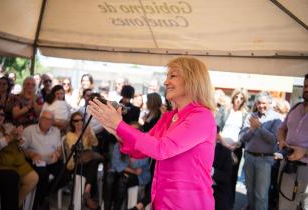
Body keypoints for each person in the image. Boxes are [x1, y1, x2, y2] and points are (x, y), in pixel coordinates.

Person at [88, 56, 217, 210]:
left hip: (188, 203)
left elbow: (161, 149)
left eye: (173, 76)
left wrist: (119, 125)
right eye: (167, 76)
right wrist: (117, 132)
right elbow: (142, 149)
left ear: (192, 80)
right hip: (162, 201)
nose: (166, 82)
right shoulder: (169, 116)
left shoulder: (202, 116)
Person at [239, 92, 283, 210]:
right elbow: (242, 138)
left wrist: (259, 127)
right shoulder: (251, 116)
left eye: (263, 103)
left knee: (261, 195)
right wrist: (251, 130)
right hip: (249, 157)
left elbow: (274, 140)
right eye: (258, 103)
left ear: (269, 103)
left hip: (265, 159)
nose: (261, 105)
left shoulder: (276, 117)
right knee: (250, 192)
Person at [0, 103, 38, 209]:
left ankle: (16, 204)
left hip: (16, 161)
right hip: (0, 164)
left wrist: (20, 139)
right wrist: (9, 138)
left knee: (33, 178)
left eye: (2, 115)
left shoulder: (8, 126)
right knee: (12, 177)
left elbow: (23, 144)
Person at [21, 110, 68, 210]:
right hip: (36, 161)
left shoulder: (56, 131)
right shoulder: (29, 131)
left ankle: (44, 196)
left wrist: (58, 153)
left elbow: (59, 148)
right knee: (43, 174)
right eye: (45, 119)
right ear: (40, 119)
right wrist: (31, 154)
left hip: (52, 160)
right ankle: (42, 204)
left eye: (50, 120)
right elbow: (22, 149)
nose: (48, 122)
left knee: (65, 175)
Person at [277, 74, 308, 210]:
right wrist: (282, 141)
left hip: (306, 170)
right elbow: (282, 129)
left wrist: (304, 151)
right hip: (288, 167)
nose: (307, 89)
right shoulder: (296, 107)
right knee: (285, 206)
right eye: (306, 86)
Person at [215, 88, 249, 208]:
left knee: (232, 177)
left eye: (241, 98)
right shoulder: (224, 109)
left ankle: (230, 204)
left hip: (235, 149)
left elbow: (245, 131)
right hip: (220, 147)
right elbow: (216, 127)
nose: (238, 100)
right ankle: (217, 202)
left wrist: (237, 144)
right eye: (236, 97)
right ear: (233, 97)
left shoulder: (245, 114)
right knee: (218, 175)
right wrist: (223, 143)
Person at [65, 111, 101, 210]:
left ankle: (87, 190)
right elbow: (75, 149)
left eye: (81, 120)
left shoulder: (88, 130)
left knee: (93, 163)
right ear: (72, 122)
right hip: (76, 162)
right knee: (94, 162)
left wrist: (90, 135)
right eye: (76, 120)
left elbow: (95, 144)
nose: (79, 122)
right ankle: (89, 195)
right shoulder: (70, 135)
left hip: (88, 163)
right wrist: (83, 137)